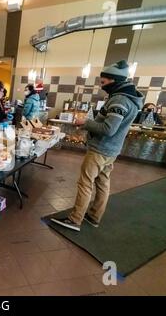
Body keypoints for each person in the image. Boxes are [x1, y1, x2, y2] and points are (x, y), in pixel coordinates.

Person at [51, 60, 143, 231]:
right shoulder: (130, 98)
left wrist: (85, 122)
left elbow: (108, 129)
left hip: (101, 149)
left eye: (103, 82)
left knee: (85, 183)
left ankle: (75, 219)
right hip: (112, 150)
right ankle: (94, 216)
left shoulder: (120, 99)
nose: (102, 86)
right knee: (103, 183)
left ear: (114, 80)